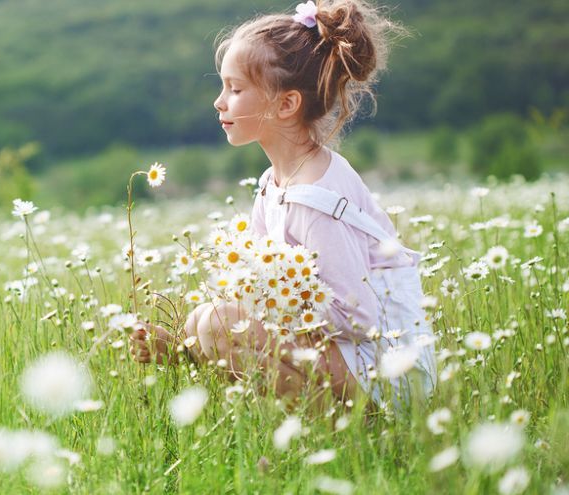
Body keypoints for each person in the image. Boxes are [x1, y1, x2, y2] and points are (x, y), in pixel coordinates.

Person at [130, 0, 436, 409]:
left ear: (286, 105)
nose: (220, 102)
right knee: (202, 320)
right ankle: (185, 356)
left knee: (222, 324)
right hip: (349, 359)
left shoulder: (317, 198)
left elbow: (358, 318)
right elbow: (254, 285)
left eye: (236, 90)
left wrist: (281, 302)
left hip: (387, 371)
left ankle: (356, 433)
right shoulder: (275, 185)